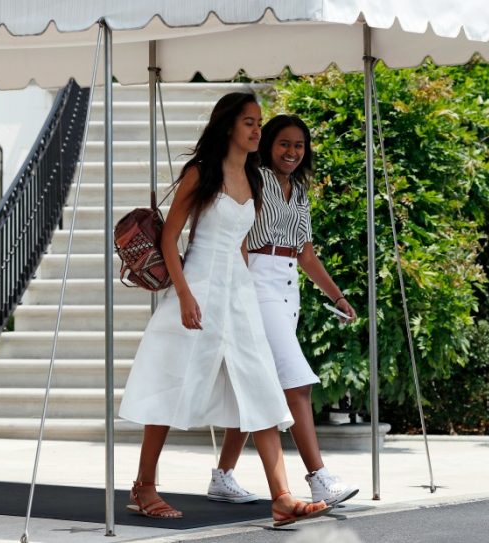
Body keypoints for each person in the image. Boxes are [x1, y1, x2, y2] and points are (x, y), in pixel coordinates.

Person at [118, 94, 330, 526]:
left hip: (239, 293)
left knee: (261, 386)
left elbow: (241, 243)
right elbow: (170, 238)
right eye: (250, 123)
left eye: (258, 123)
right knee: (169, 381)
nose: (257, 131)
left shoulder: (253, 176)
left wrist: (246, 291)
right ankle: (143, 486)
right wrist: (184, 296)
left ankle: (283, 497)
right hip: (198, 284)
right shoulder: (201, 173)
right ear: (229, 126)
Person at [206, 114, 359, 507]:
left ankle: (222, 475)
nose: (292, 152)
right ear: (269, 143)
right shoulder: (253, 179)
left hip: (288, 285)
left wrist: (338, 297)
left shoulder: (300, 191)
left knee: (254, 384)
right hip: (254, 280)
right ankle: (318, 477)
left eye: (299, 146)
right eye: (284, 144)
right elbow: (233, 230)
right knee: (296, 382)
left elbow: (307, 254)